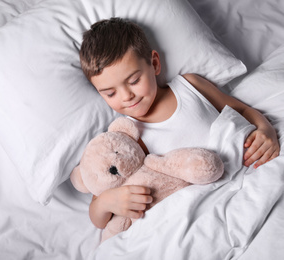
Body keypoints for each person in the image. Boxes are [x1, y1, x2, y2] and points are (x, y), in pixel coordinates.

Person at [79, 17, 280, 230]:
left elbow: (241, 110)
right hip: (204, 210)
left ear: (154, 63)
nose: (127, 96)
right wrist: (106, 202)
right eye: (110, 93)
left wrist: (266, 129)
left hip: (248, 174)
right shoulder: (125, 137)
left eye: (134, 81)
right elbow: (98, 217)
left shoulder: (189, 85)